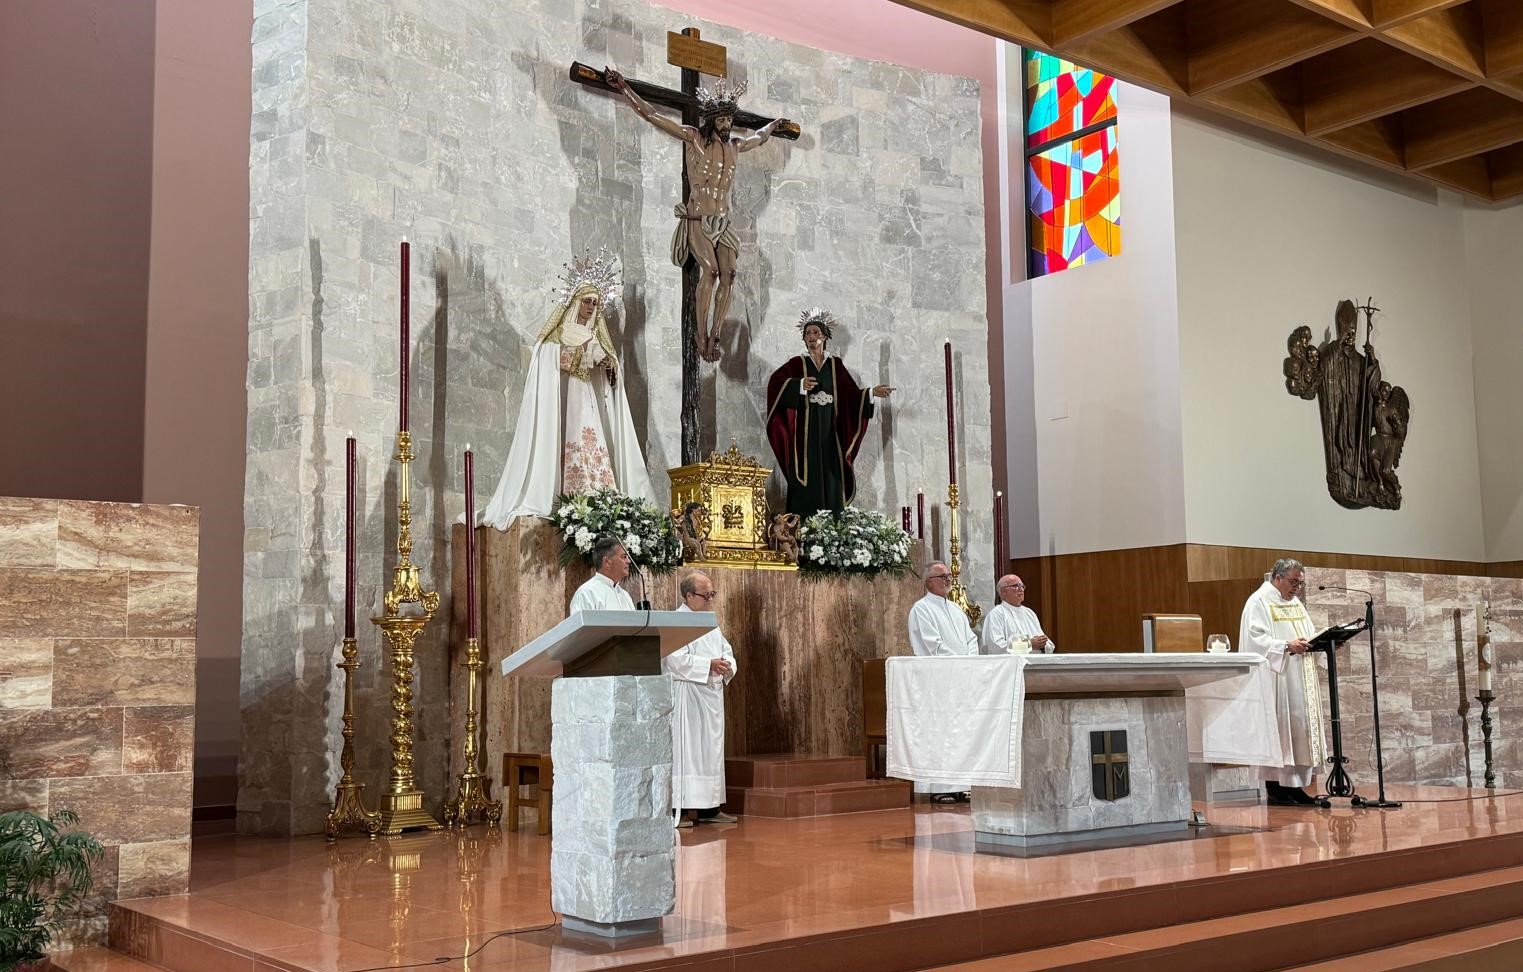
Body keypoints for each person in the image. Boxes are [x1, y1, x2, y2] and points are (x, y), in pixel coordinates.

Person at [605, 70, 790, 362]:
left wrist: (773, 125)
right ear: (712, 120)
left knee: (730, 274)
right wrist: (625, 89)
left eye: (729, 119)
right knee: (711, 271)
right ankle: (700, 335)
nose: (727, 125)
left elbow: (759, 137)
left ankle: (715, 334)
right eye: (722, 120)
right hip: (698, 219)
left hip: (723, 222)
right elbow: (652, 115)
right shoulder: (695, 139)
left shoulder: (735, 147)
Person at [480, 251, 654, 529]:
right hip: (565, 398)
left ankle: (597, 495)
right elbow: (546, 357)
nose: (591, 307)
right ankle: (565, 494)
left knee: (591, 439)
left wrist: (609, 366)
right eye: (587, 301)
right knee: (568, 437)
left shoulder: (596, 334)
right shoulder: (561, 332)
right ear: (575, 301)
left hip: (589, 398)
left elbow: (609, 372)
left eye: (595, 303)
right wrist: (579, 351)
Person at [765, 308, 893, 517]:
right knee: (806, 483)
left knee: (833, 479)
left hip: (830, 439)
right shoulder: (796, 364)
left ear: (824, 336)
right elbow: (775, 384)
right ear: (804, 339)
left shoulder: (835, 365)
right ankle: (804, 529)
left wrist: (870, 393)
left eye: (816, 332)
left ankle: (832, 531)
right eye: (808, 333)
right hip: (804, 441)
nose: (811, 337)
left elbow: (850, 396)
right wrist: (798, 385)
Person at [1238, 558, 1326, 807]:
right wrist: (1286, 646)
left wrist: (1324, 642)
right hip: (1277, 678)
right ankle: (1276, 788)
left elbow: (1308, 633)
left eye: (1300, 583)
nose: (1297, 588)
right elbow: (1255, 640)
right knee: (1281, 731)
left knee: (1298, 731)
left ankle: (1295, 787)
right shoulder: (1259, 601)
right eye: (1293, 582)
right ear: (1277, 578)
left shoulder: (1294, 603)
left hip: (1300, 676)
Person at [665, 570, 738, 829]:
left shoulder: (710, 621)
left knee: (711, 753)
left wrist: (726, 665)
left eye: (712, 594)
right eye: (705, 595)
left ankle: (710, 808)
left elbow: (726, 651)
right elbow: (674, 659)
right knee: (689, 753)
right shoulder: (676, 622)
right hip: (689, 696)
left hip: (711, 696)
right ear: (688, 596)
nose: (710, 600)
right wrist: (708, 665)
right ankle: (681, 809)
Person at [907, 561, 979, 803]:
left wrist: (970, 662)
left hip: (961, 678)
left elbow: (971, 639)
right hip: (937, 680)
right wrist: (959, 662)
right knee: (939, 733)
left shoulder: (956, 610)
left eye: (949, 575)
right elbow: (933, 644)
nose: (949, 580)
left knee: (960, 733)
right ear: (929, 582)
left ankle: (960, 785)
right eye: (942, 576)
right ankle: (939, 786)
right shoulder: (921, 609)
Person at [982, 575, 1054, 654]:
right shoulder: (996, 614)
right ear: (1003, 591)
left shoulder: (1029, 613)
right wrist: (1028, 644)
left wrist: (1043, 644)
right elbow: (995, 646)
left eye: (1022, 586)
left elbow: (1047, 642)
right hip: (1012, 662)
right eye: (1015, 586)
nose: (1021, 589)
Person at [569, 536, 635, 612]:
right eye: (624, 557)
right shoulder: (586, 592)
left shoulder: (625, 596)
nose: (629, 561)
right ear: (607, 561)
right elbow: (580, 619)